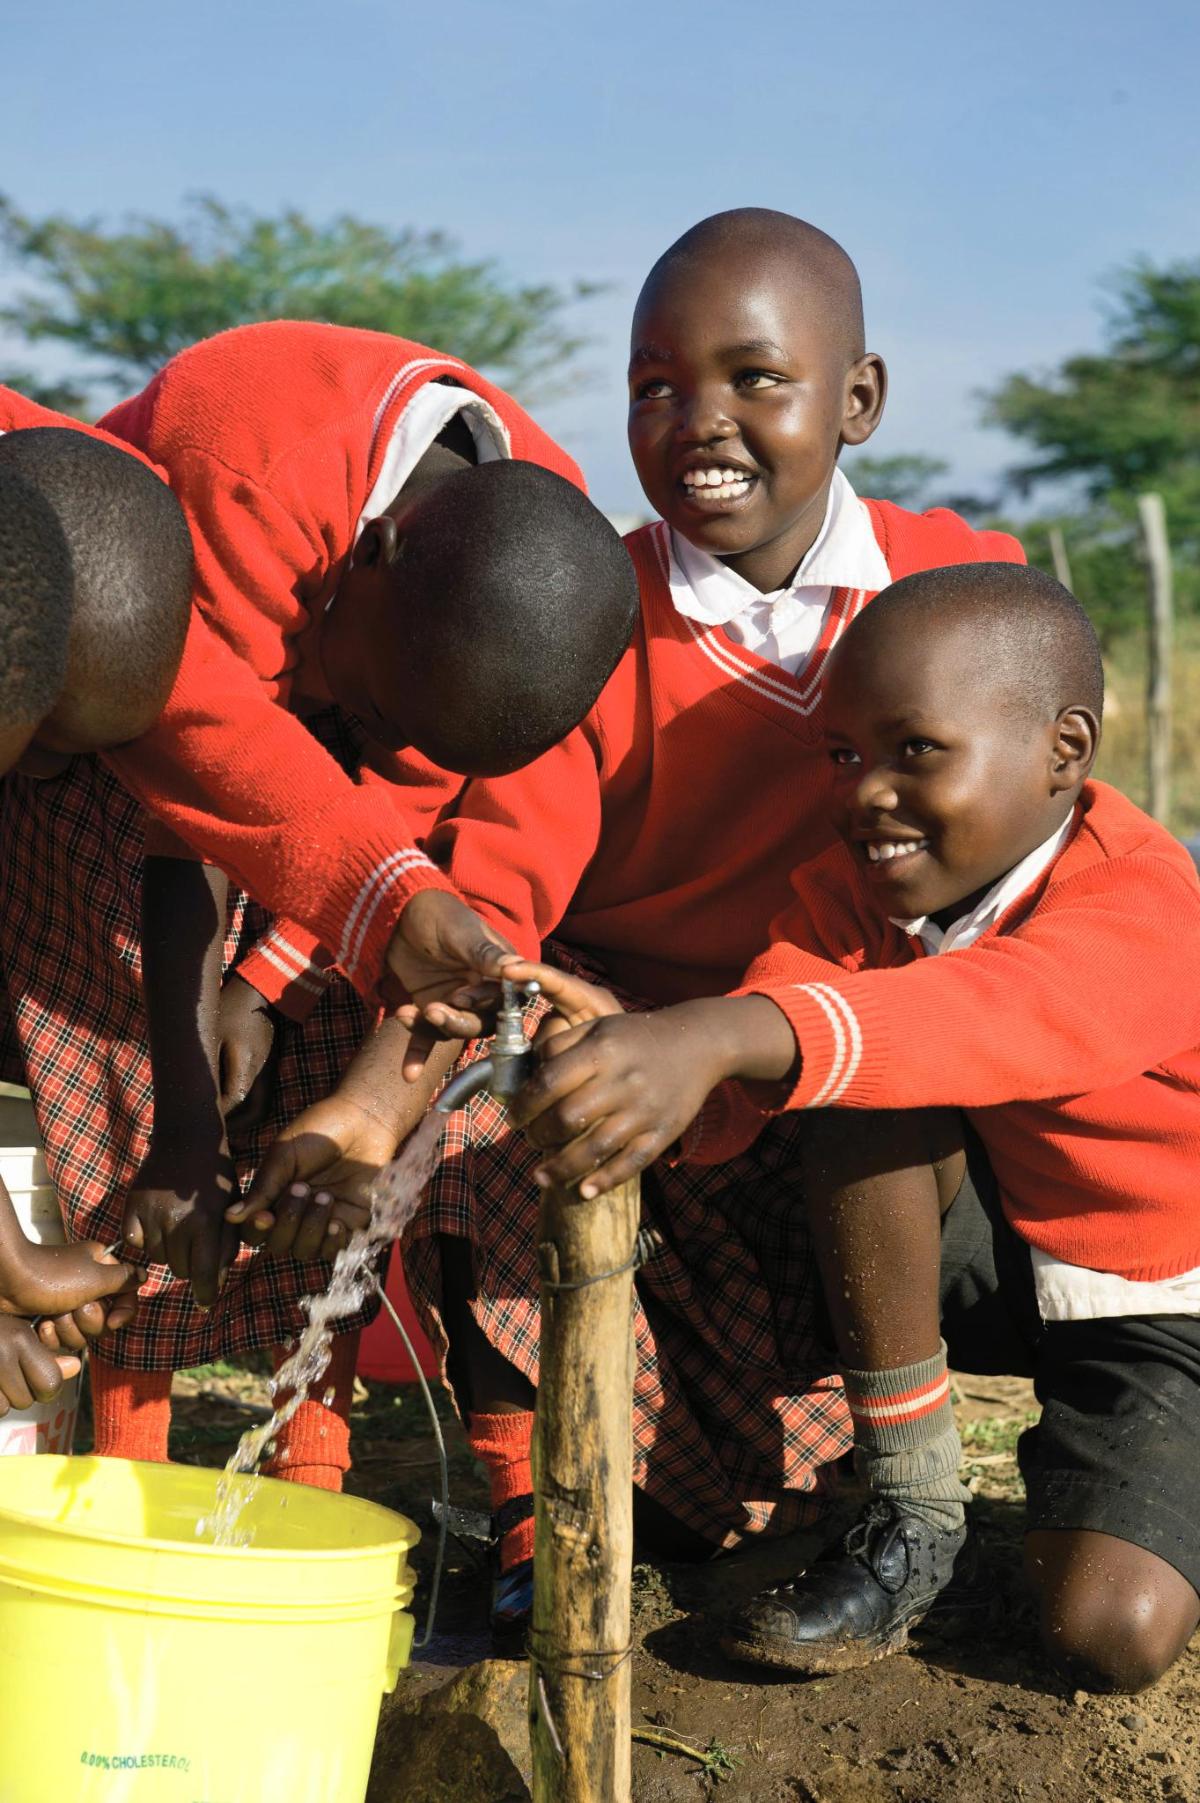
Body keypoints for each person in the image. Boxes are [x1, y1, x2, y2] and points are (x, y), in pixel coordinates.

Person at [260, 210, 1025, 1631]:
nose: (699, 422)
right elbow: (496, 905)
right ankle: (527, 1511)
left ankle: (891, 1480)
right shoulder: (592, 613)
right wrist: (379, 1104)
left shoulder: (954, 595)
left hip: (809, 1076)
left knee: (742, 1483)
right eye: (655, 383)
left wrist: (741, 1041)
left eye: (754, 379)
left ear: (858, 398)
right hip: (623, 1058)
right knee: (515, 1078)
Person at [494, 562, 1200, 1695]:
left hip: (1162, 1308)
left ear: (1064, 752)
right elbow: (764, 1066)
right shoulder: (850, 897)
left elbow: (992, 1014)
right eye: (843, 756)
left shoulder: (1146, 902)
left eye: (915, 752)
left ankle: (1138, 1487)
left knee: (1107, 1632)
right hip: (1001, 1252)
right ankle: (914, 1509)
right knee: (854, 1103)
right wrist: (634, 1063)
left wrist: (717, 1033)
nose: (866, 792)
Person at [2, 329, 637, 1486]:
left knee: (349, 1095)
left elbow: (475, 887)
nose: (386, 738)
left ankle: (317, 1464)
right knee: (123, 1010)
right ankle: (126, 1451)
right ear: (372, 553)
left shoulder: (542, 595)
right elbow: (196, 779)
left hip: (321, 840)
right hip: (109, 747)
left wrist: (353, 1076)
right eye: (374, 701)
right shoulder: (249, 452)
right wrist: (186, 1130)